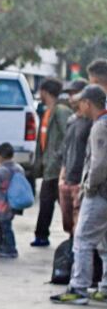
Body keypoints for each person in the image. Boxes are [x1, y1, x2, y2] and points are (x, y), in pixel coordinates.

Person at [51, 84, 107, 305]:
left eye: (81, 102)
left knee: (82, 239)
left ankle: (78, 288)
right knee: (104, 243)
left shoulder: (100, 127)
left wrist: (89, 187)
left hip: (99, 193)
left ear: (88, 103)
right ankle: (104, 286)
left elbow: (99, 163)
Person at [32, 78, 71, 247]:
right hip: (49, 166)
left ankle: (70, 234)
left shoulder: (60, 111)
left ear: (45, 92)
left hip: (57, 167)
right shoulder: (48, 112)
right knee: (48, 202)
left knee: (57, 203)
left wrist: (57, 156)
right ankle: (42, 235)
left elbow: (68, 136)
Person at [58, 78, 92, 236]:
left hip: (81, 181)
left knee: (79, 227)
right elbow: (66, 149)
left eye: (75, 93)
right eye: (70, 94)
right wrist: (62, 175)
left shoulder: (92, 122)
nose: (71, 98)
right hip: (67, 180)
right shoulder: (71, 120)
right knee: (68, 224)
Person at [0, 142, 23, 258]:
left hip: (2, 203)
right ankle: (3, 247)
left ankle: (11, 249)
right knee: (5, 225)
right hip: (14, 202)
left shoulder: (2, 170)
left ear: (0, 156)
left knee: (5, 227)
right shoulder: (19, 168)